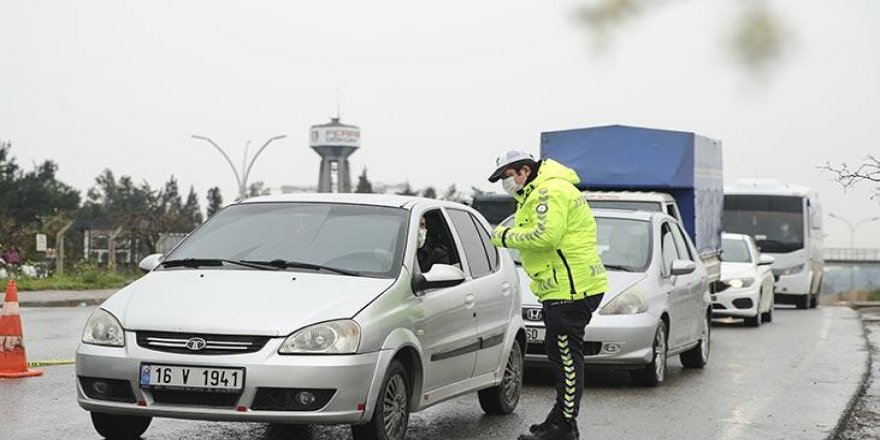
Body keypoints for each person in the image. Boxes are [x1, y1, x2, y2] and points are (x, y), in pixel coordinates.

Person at [488, 150, 608, 440]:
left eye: (506, 177)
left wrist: (502, 236)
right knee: (560, 355)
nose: (505, 184)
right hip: (569, 285)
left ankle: (564, 426)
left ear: (524, 171)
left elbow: (546, 236)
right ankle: (561, 418)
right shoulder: (544, 190)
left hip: (569, 289)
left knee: (565, 358)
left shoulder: (548, 191)